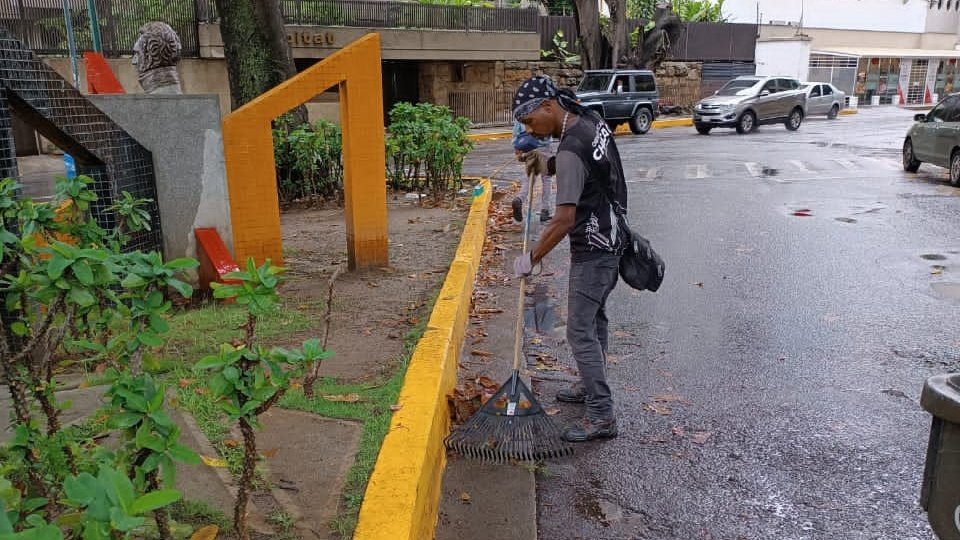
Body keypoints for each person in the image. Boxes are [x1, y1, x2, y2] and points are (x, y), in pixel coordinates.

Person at [511, 75, 628, 443]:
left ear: (547, 106)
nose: (530, 129)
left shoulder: (569, 148)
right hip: (614, 235)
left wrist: (530, 257)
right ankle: (589, 383)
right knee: (595, 320)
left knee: (580, 330)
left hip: (595, 248)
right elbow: (587, 171)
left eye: (530, 121)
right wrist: (544, 165)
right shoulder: (589, 120)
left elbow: (563, 219)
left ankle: (601, 414)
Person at [511, 119, 555, 223]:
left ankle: (519, 199)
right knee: (547, 178)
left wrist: (517, 150)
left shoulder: (522, 114)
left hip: (528, 148)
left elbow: (516, 134)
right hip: (544, 147)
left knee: (529, 178)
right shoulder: (543, 111)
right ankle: (545, 210)